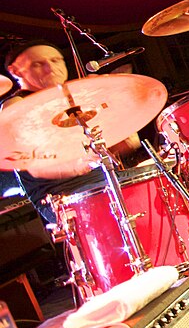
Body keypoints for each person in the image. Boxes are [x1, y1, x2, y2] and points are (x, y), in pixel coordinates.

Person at [2, 40, 143, 224]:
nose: (51, 69)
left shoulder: (76, 97)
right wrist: (85, 161)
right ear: (16, 71)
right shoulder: (16, 106)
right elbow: (38, 166)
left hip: (104, 178)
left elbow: (125, 144)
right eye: (38, 64)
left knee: (160, 174)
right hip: (62, 193)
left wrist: (120, 118)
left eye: (56, 61)